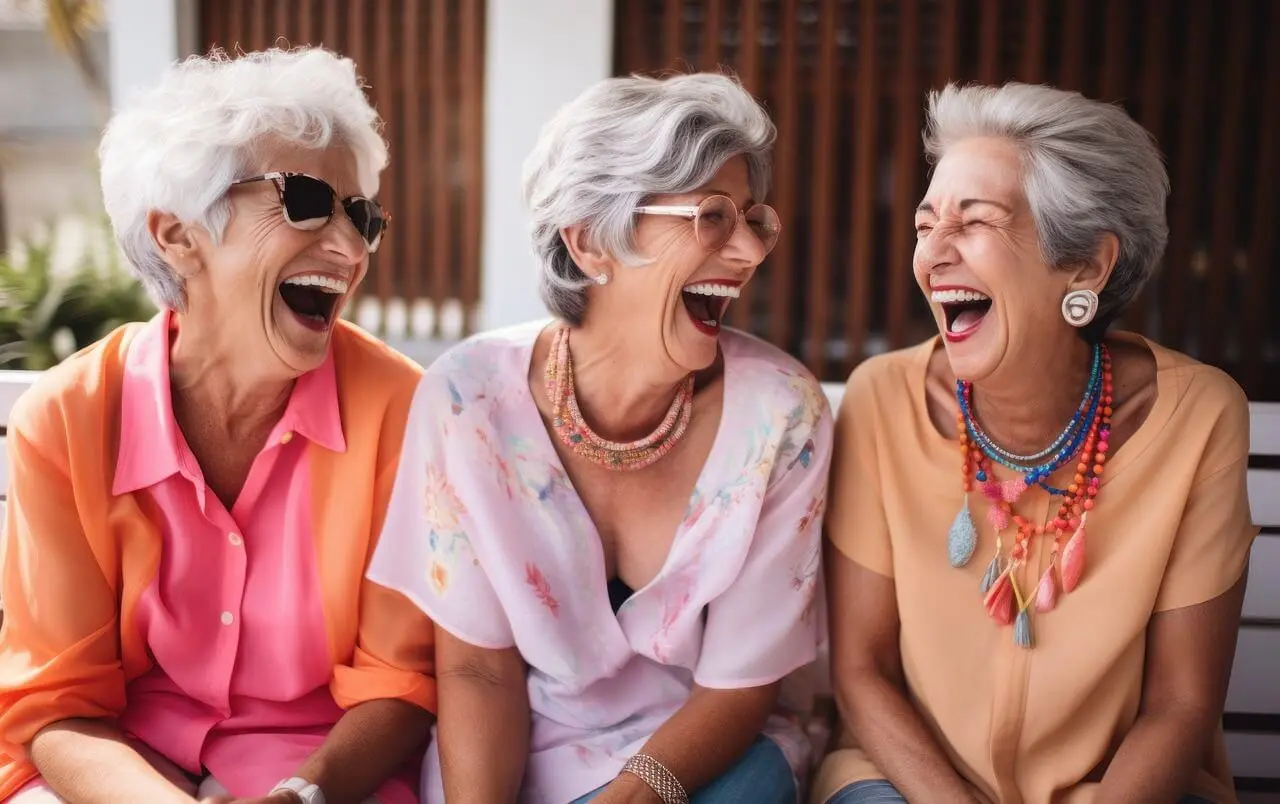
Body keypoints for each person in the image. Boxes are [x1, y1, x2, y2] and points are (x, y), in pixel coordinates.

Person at [365, 72, 833, 804]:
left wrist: (631, 793)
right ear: (590, 242)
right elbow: (478, 672)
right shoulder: (468, 399)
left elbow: (739, 687)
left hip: (704, 762)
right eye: (711, 216)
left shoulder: (781, 415)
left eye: (754, 220)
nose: (748, 252)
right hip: (521, 756)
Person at [0, 48, 436, 804]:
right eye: (304, 200)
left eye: (362, 215)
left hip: (328, 773)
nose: (351, 245)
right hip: (121, 770)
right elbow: (57, 703)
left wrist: (304, 794)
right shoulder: (65, 419)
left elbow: (398, 684)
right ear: (177, 236)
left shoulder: (404, 410)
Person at [813, 82, 1258, 804]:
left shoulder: (1199, 416)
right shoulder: (881, 399)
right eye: (926, 225)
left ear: (1085, 264)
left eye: (974, 221)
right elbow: (862, 671)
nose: (934, 253)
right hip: (908, 786)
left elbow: (1181, 704)